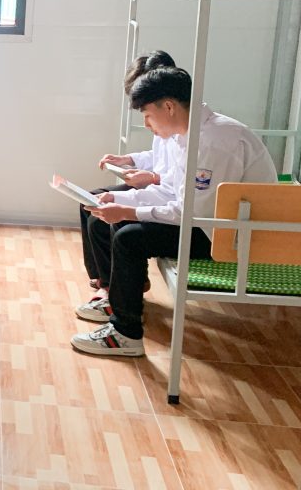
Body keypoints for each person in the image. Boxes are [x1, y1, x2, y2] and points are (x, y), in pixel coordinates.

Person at [71, 67, 277, 356]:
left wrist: (129, 211)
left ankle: (126, 335)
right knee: (120, 225)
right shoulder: (187, 136)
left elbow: (190, 213)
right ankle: (122, 311)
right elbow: (170, 191)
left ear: (168, 107)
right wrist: (118, 199)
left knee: (129, 238)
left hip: (233, 236)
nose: (146, 124)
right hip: (212, 223)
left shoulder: (214, 141)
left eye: (147, 115)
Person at [77, 50, 180, 321]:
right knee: (91, 201)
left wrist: (152, 179)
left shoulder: (184, 126)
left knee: (104, 216)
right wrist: (129, 160)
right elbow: (159, 158)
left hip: (167, 196)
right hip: (162, 190)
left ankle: (118, 289)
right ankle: (106, 280)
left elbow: (178, 186)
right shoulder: (169, 121)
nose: (143, 117)